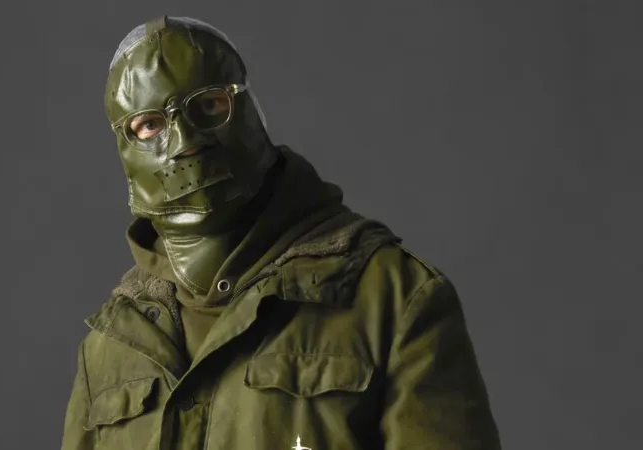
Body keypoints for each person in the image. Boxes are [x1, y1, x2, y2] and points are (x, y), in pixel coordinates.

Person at [61, 15, 501, 450]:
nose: (185, 142)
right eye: (150, 125)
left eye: (208, 105)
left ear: (250, 109)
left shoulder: (393, 299)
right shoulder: (111, 347)